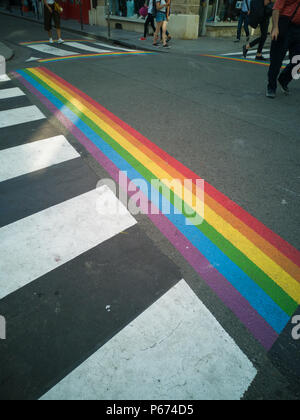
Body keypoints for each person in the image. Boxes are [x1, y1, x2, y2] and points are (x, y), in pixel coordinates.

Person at [267, 0, 300, 97]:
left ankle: (283, 79)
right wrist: (275, 27)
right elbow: (276, 9)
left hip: (298, 29)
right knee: (276, 60)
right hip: (284, 24)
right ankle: (271, 87)